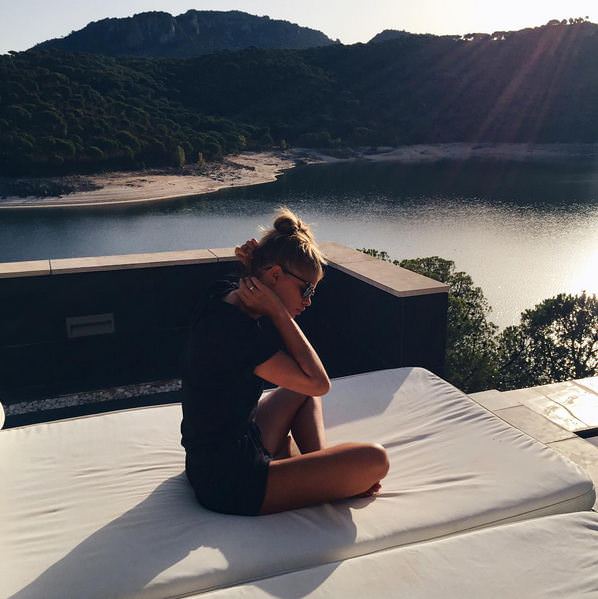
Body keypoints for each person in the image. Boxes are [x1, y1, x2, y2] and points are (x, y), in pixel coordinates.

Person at [181, 208, 389, 516]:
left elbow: (307, 387)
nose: (308, 301)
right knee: (375, 460)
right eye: (306, 289)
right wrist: (279, 312)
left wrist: (258, 273)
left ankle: (322, 472)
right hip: (230, 483)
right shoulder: (236, 334)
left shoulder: (223, 294)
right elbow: (319, 384)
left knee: (299, 392)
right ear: (276, 275)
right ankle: (326, 477)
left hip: (213, 457)